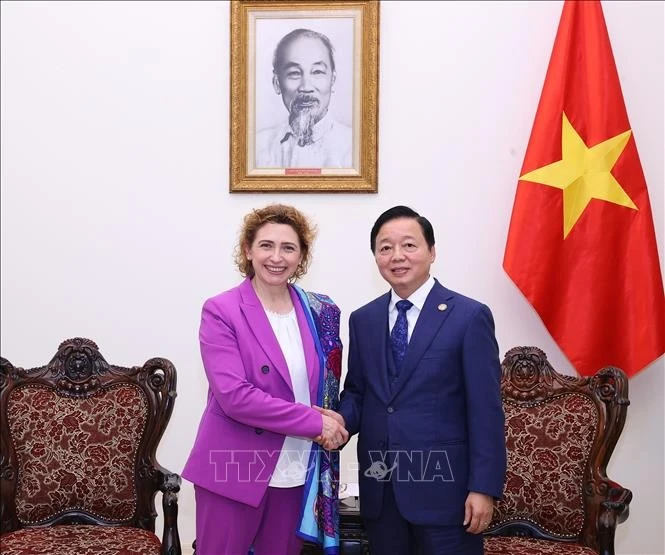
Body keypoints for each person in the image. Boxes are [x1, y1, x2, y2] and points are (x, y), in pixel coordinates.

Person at [329, 205, 507, 555]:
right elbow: (359, 393)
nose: (397, 256)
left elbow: (486, 411)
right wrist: (333, 423)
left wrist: (483, 487)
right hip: (381, 488)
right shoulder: (363, 319)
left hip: (447, 493)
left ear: (432, 251)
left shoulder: (469, 316)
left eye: (409, 245)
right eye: (385, 248)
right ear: (376, 257)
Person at [182, 203, 348, 555]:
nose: (277, 257)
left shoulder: (321, 311)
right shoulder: (222, 310)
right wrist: (314, 421)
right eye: (266, 245)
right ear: (248, 250)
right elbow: (234, 396)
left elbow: (326, 387)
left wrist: (332, 418)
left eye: (288, 247)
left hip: (295, 467)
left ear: (302, 255)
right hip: (233, 468)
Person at [256, 28, 353, 169]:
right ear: (277, 83)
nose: (306, 87)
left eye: (317, 71)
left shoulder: (354, 148)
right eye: (294, 73)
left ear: (332, 80)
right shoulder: (257, 148)